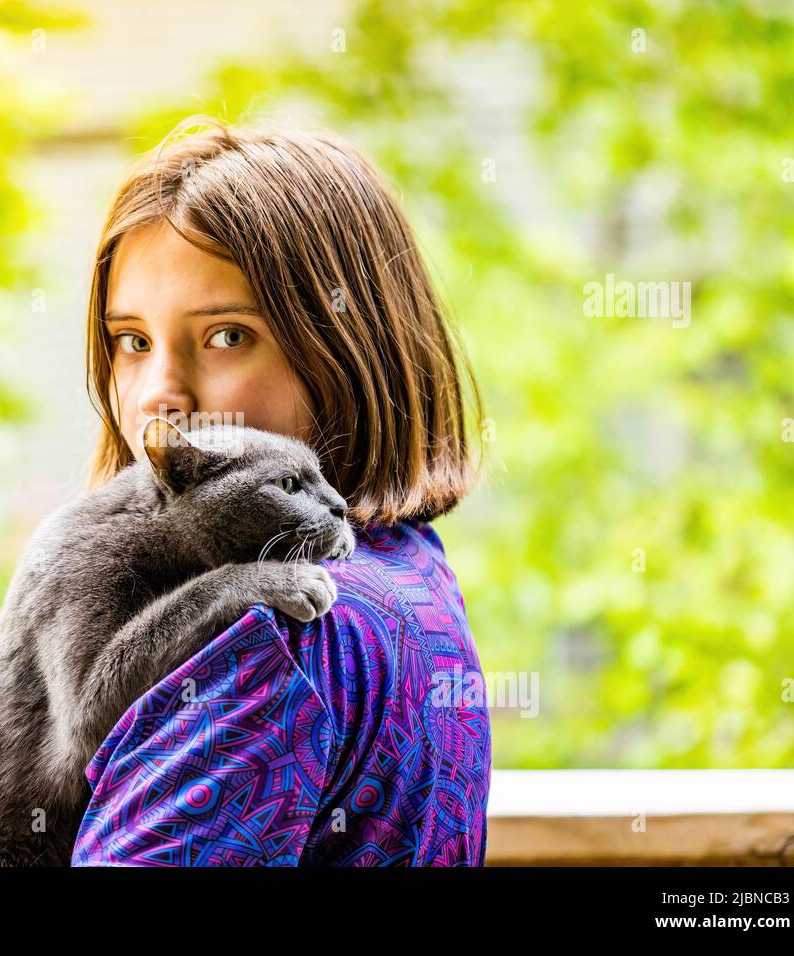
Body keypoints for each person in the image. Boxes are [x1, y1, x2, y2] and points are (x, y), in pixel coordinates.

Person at [69, 118, 490, 866]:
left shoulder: (274, 630)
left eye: (227, 335)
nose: (159, 395)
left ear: (349, 351)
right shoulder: (413, 574)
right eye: (132, 341)